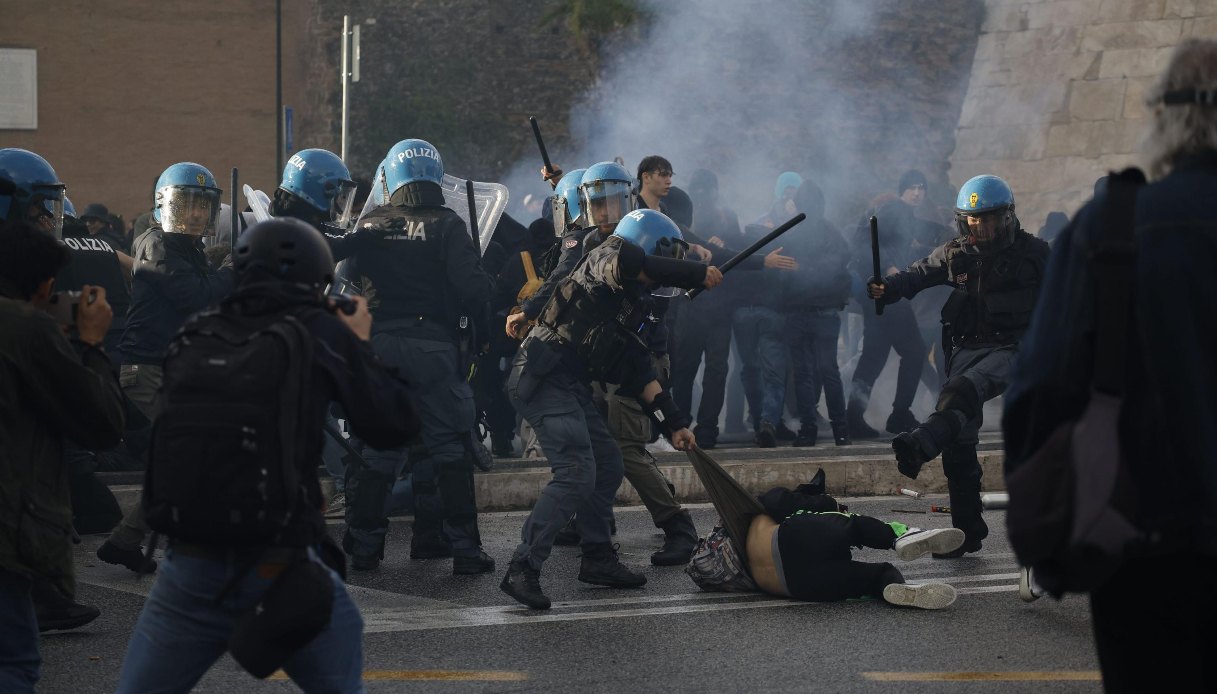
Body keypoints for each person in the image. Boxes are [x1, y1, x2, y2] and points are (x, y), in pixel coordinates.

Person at [114, 217, 420, 692]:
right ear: (317, 276)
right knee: (340, 660)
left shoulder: (200, 329)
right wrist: (359, 342)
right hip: (276, 560)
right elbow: (391, 424)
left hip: (188, 559)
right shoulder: (318, 328)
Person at [1003, 39, 1217, 692]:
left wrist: (1046, 531)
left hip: (1143, 544)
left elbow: (1041, 387)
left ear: (1161, 118)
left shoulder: (1112, 226)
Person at [501, 209, 722, 609]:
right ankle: (523, 567)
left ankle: (598, 558)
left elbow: (638, 370)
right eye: (660, 263)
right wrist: (692, 274)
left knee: (608, 463)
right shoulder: (604, 258)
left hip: (568, 386)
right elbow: (629, 262)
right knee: (576, 473)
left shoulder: (628, 304)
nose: (658, 277)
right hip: (542, 377)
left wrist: (675, 424)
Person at [868, 174, 1049, 558]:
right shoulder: (956, 253)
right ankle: (968, 532)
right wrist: (888, 287)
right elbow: (917, 275)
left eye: (988, 219)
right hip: (966, 348)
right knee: (958, 442)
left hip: (1014, 348)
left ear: (1007, 217)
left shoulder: (1035, 254)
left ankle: (920, 443)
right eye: (973, 220)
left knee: (960, 391)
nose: (980, 228)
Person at [339, 138, 495, 574]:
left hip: (381, 347)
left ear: (391, 178)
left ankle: (366, 548)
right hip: (434, 348)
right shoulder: (448, 226)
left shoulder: (371, 224)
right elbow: (475, 292)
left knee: (378, 450)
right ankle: (465, 550)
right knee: (448, 449)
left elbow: (346, 279)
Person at [0, 220, 126, 691]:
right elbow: (101, 422)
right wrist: (91, 343)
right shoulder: (23, 326)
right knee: (13, 663)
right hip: (8, 530)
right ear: (41, 285)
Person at [97, 162, 233, 573]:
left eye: (201, 206)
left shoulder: (187, 249)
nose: (194, 214)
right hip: (148, 369)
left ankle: (125, 541)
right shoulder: (156, 244)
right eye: (185, 204)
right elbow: (198, 296)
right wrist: (234, 268)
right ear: (162, 206)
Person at [745, 481, 962, 607]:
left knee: (878, 575)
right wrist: (830, 504)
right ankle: (900, 535)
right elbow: (779, 501)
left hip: (794, 586)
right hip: (790, 540)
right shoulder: (765, 502)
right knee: (854, 525)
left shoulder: (740, 529)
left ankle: (893, 587)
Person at [847, 170, 935, 440]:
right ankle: (900, 413)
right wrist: (888, 267)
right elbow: (865, 239)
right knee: (915, 351)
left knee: (873, 355)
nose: (917, 193)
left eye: (921, 188)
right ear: (902, 191)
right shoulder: (895, 209)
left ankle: (853, 415)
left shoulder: (904, 215)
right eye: (912, 188)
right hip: (886, 293)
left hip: (880, 294)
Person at [670, 169, 742, 449]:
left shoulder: (727, 216)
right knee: (686, 369)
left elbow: (735, 253)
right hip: (690, 303)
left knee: (715, 370)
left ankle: (708, 427)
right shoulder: (685, 218)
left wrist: (724, 246)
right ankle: (681, 424)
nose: (705, 194)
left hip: (719, 307)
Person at [779, 180, 852, 446]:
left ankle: (808, 430)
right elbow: (841, 261)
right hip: (823, 311)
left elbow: (784, 269)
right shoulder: (830, 232)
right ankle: (840, 431)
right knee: (827, 370)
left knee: (805, 373)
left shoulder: (793, 231)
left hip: (802, 311)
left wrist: (801, 271)